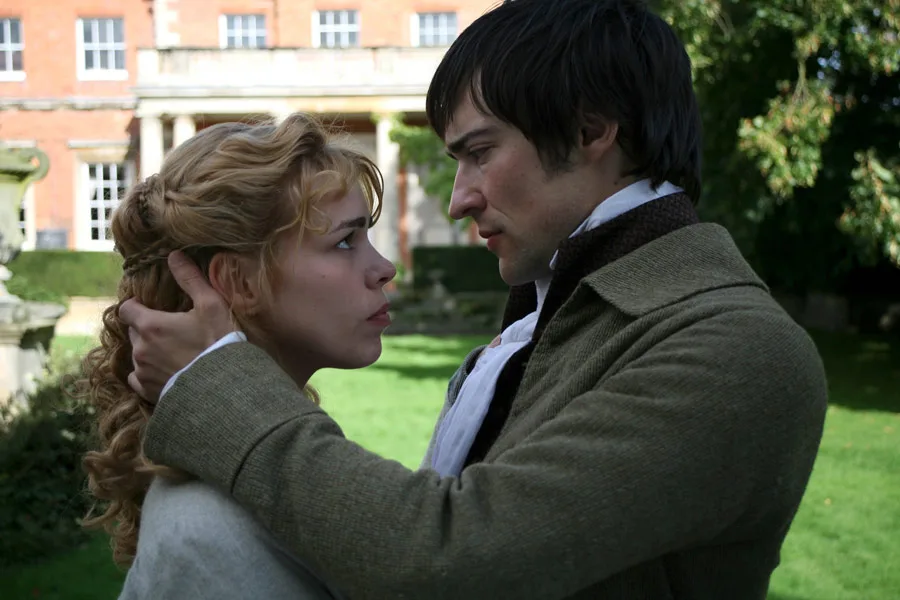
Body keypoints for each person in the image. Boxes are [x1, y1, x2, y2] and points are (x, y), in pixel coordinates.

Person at [119, 0, 829, 598]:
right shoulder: (542, 321)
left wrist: (214, 381)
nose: (459, 200)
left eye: (479, 152)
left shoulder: (738, 346)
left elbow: (447, 560)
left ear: (590, 131)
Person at [80, 113, 395, 599]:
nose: (384, 268)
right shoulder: (210, 531)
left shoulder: (263, 485)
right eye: (344, 242)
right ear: (238, 282)